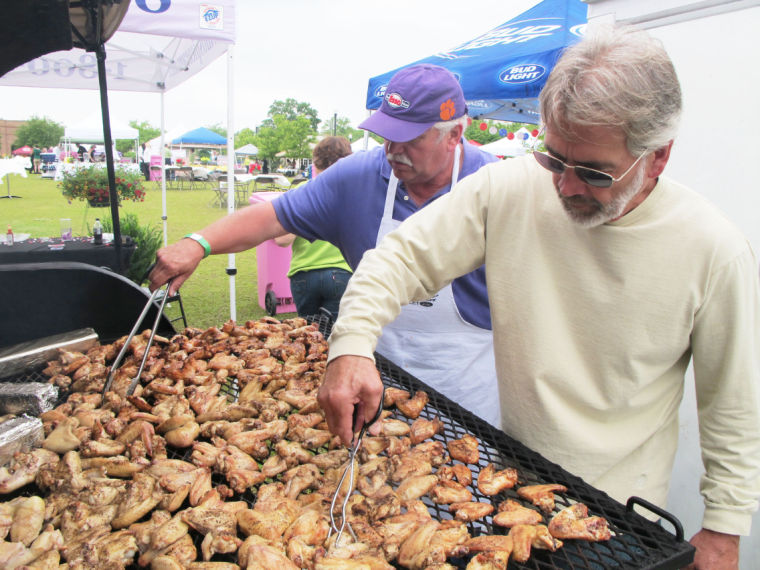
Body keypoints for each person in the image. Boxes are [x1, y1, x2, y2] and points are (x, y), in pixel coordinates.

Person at [317, 27, 760, 569]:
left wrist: (725, 529)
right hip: (510, 479)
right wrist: (353, 344)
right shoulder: (510, 188)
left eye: (594, 172)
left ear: (658, 156)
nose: (566, 186)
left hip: (618, 518)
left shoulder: (714, 251)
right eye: (554, 159)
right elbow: (398, 258)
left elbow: (732, 405)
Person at [148, 64, 502, 426]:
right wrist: (198, 243)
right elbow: (272, 217)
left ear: (455, 134)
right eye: (386, 135)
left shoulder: (498, 187)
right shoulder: (358, 177)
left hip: (466, 388)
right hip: (373, 375)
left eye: (409, 139)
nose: (393, 150)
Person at [273, 136, 353, 318]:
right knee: (336, 337)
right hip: (341, 273)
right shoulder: (355, 192)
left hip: (304, 275)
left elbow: (282, 240)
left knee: (307, 338)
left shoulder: (302, 191)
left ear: (315, 163)